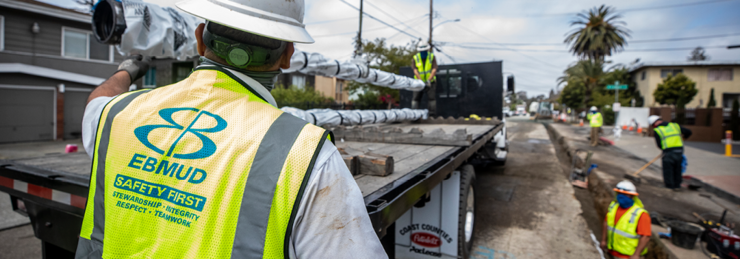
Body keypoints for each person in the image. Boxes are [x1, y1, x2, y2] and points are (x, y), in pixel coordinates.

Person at [74, 0, 387, 258]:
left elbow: (98, 100)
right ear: (289, 55)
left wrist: (126, 72)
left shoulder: (117, 114)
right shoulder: (306, 156)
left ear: (199, 38)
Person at [600, 180, 651, 259]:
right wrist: (603, 240)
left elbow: (645, 236)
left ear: (632, 196)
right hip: (611, 251)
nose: (621, 196)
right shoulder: (613, 206)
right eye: (619, 193)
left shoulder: (640, 214)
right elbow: (606, 222)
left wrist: (636, 254)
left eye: (624, 194)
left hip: (628, 256)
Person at [648, 115, 692, 191]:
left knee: (668, 169)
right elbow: (689, 132)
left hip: (668, 152)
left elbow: (659, 144)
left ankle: (669, 185)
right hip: (679, 150)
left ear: (654, 124)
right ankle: (677, 185)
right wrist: (684, 138)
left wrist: (664, 149)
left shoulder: (658, 130)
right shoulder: (674, 126)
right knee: (677, 168)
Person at [411, 42, 438, 116]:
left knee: (431, 98)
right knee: (416, 98)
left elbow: (434, 69)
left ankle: (432, 115)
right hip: (418, 82)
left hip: (430, 82)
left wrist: (428, 80)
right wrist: (420, 81)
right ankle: (414, 115)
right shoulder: (415, 58)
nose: (423, 52)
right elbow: (415, 71)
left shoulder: (432, 57)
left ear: (427, 50)